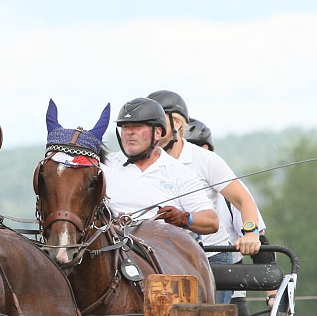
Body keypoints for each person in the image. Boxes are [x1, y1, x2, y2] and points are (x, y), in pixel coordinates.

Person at [148, 90, 263, 304]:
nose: (151, 128)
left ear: (177, 124)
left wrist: (250, 232)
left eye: (157, 121)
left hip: (211, 255)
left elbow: (243, 200)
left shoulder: (205, 160)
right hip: (164, 257)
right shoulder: (145, 163)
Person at [104, 97, 218, 236]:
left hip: (162, 250)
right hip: (111, 247)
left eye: (138, 126)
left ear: (157, 133)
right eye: (125, 127)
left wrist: (183, 218)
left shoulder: (179, 172)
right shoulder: (105, 165)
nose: (129, 132)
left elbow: (211, 222)